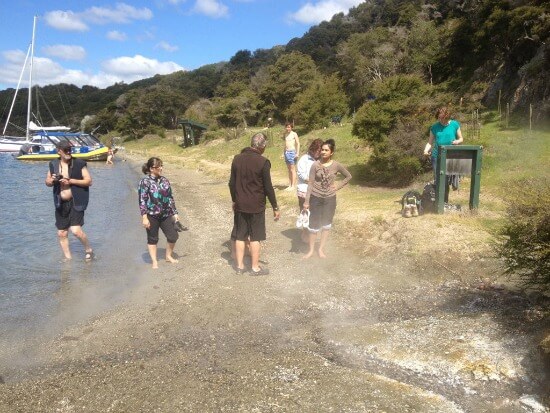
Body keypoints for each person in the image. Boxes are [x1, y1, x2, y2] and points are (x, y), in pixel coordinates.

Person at [229, 132, 280, 275]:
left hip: (240, 204)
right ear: (262, 146)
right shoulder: (263, 162)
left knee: (240, 235)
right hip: (256, 206)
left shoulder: (237, 159)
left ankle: (239, 266)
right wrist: (275, 206)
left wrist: (234, 200)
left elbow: (231, 183)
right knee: (255, 236)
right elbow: (268, 187)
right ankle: (255, 267)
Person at [45, 141, 94, 261]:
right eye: (66, 150)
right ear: (59, 151)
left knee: (76, 231)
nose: (68, 152)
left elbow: (89, 181)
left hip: (76, 201)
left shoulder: (79, 163)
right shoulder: (53, 164)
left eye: (70, 149)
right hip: (60, 202)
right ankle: (68, 259)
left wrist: (70, 181)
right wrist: (51, 181)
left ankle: (89, 250)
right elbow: (47, 182)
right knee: (61, 233)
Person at [303, 139, 352, 259]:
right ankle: (311, 250)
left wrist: (337, 187)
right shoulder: (315, 165)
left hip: (330, 199)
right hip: (315, 197)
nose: (323, 152)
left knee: (326, 225)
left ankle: (320, 249)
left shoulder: (336, 165)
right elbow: (310, 183)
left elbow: (348, 176)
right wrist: (306, 201)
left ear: (331, 152)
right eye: (322, 150)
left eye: (326, 150)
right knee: (313, 225)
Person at [138, 157, 182, 269]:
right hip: (151, 215)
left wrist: (175, 213)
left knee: (173, 236)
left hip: (166, 214)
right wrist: (144, 217)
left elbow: (170, 198)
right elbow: (142, 200)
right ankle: (154, 261)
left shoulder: (165, 180)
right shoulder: (144, 182)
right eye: (159, 166)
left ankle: (168, 256)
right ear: (152, 168)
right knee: (153, 239)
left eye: (161, 165)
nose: (161, 168)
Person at [423, 106, 464, 202]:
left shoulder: (454, 124)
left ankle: (445, 202)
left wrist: (457, 142)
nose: (441, 120)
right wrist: (425, 151)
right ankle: (439, 202)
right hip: (437, 156)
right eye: (439, 118)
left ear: (448, 116)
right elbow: (430, 142)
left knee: (447, 180)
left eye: (443, 118)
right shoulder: (434, 127)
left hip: (451, 156)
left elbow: (461, 138)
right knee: (439, 179)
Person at [296, 138, 323, 242]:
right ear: (312, 149)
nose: (319, 153)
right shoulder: (304, 159)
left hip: (316, 192)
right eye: (317, 151)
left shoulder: (320, 161)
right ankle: (305, 236)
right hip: (304, 191)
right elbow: (301, 174)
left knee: (315, 214)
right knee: (305, 214)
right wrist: (311, 180)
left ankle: (312, 236)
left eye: (320, 151)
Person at [282, 122, 300, 190]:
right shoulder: (286, 134)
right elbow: (285, 144)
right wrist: (283, 153)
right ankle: (290, 185)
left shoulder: (294, 134)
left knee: (293, 170)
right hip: (286, 153)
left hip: (292, 152)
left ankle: (293, 186)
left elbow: (298, 143)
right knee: (289, 170)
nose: (288, 128)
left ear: (291, 127)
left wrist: (297, 153)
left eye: (289, 127)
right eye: (287, 127)